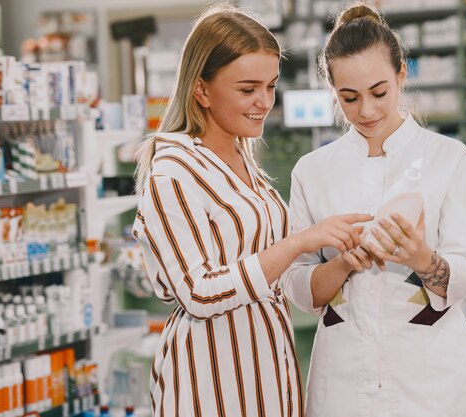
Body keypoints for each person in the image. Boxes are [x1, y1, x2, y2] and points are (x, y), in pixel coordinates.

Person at [131, 4, 371, 416]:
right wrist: (299, 242)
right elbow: (199, 293)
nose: (264, 102)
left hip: (267, 373)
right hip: (210, 382)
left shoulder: (243, 161)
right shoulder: (173, 172)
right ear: (201, 90)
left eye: (271, 86)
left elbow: (267, 267)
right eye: (247, 89)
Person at [282, 3, 466, 417]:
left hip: (431, 381)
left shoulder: (448, 157)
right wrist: (342, 264)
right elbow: (298, 286)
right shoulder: (312, 171)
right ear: (332, 90)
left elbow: (465, 271)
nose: (367, 111)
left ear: (401, 75)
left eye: (379, 92)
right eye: (349, 98)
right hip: (342, 383)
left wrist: (420, 257)